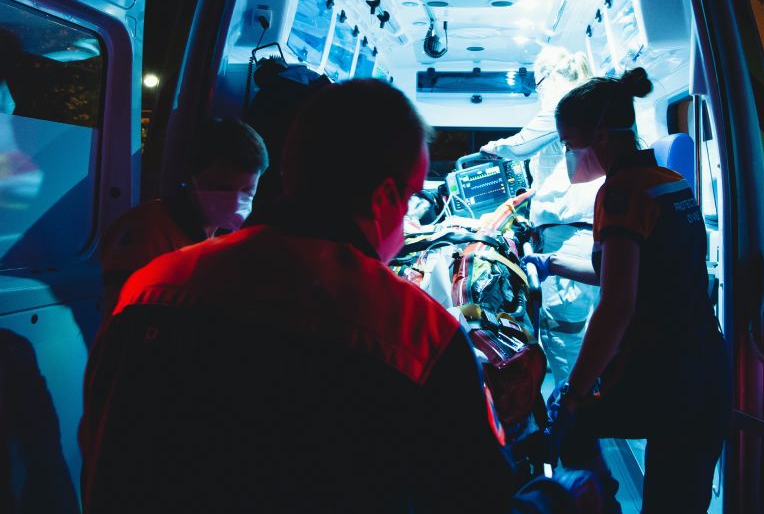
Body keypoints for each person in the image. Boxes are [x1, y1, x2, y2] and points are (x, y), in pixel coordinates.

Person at [78, 79, 603, 513]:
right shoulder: (418, 332)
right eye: (412, 197)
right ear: (385, 200)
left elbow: (98, 449)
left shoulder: (152, 285)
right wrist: (556, 497)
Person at [524, 67, 731, 513]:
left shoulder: (619, 194)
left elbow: (618, 304)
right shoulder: (669, 182)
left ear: (598, 136)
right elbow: (635, 273)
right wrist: (554, 264)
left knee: (571, 420)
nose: (567, 154)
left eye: (567, 143)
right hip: (705, 370)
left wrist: (575, 391)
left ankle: (597, 503)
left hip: (669, 379)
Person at [480, 46, 603, 388]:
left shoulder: (562, 105)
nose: (537, 92)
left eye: (536, 84)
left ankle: (573, 416)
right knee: (577, 333)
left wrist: (491, 147)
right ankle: (580, 409)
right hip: (579, 231)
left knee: (563, 334)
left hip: (569, 235)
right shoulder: (583, 104)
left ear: (547, 77)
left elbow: (519, 145)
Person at [98, 116, 269, 317]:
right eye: (222, 189)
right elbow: (128, 322)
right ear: (192, 177)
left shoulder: (224, 238)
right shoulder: (145, 232)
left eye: (248, 190)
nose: (235, 202)